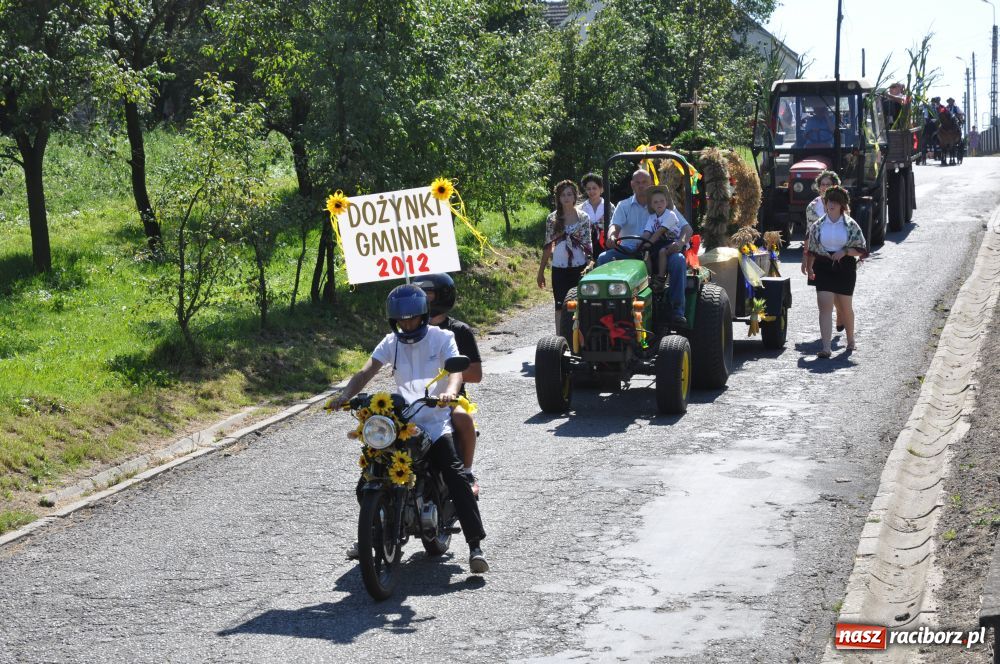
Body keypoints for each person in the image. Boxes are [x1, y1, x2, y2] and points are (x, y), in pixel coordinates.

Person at [328, 284, 489, 573]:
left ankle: (475, 544)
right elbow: (366, 371)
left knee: (455, 473)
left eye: (412, 318)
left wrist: (450, 393)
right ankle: (371, 536)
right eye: (401, 319)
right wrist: (345, 395)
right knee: (367, 479)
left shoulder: (444, 337)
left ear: (424, 315)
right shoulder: (391, 342)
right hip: (403, 421)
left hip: (436, 418)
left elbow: (455, 373)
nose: (406, 323)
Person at [411, 273, 482, 497]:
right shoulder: (409, 332)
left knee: (463, 417)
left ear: (442, 296)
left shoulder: (459, 331)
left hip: (450, 398)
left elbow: (476, 373)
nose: (423, 299)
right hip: (416, 398)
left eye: (428, 294)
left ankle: (467, 472)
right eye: (419, 294)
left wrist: (445, 374)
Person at [803, 185, 869, 358]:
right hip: (823, 266)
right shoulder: (817, 226)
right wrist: (809, 267)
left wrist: (845, 251)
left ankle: (851, 340)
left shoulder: (851, 225)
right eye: (828, 201)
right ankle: (826, 347)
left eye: (834, 202)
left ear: (842, 205)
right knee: (824, 306)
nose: (831, 204)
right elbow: (812, 249)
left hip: (845, 267)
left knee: (845, 308)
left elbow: (861, 248)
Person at [537, 180, 592, 337]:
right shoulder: (552, 218)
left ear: (575, 196)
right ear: (558, 198)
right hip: (559, 266)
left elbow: (588, 244)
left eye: (569, 194)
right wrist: (541, 272)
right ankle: (560, 338)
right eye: (563, 195)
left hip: (579, 265)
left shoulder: (583, 218)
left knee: (580, 304)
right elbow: (547, 246)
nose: (566, 198)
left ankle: (580, 337)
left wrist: (590, 267)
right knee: (560, 305)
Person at [802, 170, 846, 332]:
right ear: (818, 187)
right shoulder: (812, 207)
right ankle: (834, 318)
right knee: (826, 290)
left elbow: (849, 228)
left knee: (837, 289)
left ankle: (841, 313)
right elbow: (809, 233)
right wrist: (805, 259)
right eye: (822, 184)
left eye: (829, 184)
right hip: (820, 255)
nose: (825, 187)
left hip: (839, 253)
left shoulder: (843, 204)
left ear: (835, 186)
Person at [641, 186, 691, 321]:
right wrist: (640, 242)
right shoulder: (651, 217)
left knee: (665, 253)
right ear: (651, 204)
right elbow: (647, 232)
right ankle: (649, 279)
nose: (659, 204)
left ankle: (661, 281)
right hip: (656, 243)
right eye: (655, 202)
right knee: (645, 254)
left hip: (670, 241)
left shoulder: (671, 214)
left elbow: (659, 232)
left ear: (667, 202)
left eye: (661, 201)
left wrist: (648, 243)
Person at [598, 168, 654, 264]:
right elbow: (615, 225)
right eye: (638, 183)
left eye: (644, 182)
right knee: (603, 258)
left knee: (677, 259)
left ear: (651, 183)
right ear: (632, 184)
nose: (641, 185)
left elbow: (684, 227)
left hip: (652, 249)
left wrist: (680, 242)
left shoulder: (660, 204)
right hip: (627, 250)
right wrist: (612, 236)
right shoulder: (624, 205)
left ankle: (660, 278)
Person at [580, 172, 615, 255]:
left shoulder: (609, 207)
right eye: (588, 189)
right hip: (586, 247)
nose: (591, 191)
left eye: (594, 188)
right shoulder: (581, 208)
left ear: (601, 189)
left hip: (605, 246)